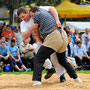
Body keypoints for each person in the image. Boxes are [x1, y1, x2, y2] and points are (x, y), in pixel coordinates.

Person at [18, 6, 82, 85]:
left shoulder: (36, 15)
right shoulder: (43, 12)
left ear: (29, 12)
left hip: (52, 38)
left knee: (38, 59)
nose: (23, 19)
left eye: (23, 16)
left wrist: (57, 20)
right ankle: (76, 78)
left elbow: (52, 9)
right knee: (62, 60)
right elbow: (27, 35)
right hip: (62, 34)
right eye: (21, 18)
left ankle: (37, 81)